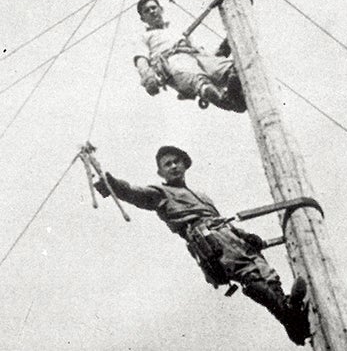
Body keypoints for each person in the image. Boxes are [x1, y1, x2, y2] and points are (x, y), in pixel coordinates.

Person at [92, 145, 311, 346]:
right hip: (208, 238)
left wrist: (245, 235)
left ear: (185, 165)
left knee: (266, 272)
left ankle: (290, 317)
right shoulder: (161, 193)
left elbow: (220, 219)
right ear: (160, 173)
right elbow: (133, 193)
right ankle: (290, 314)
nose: (174, 166)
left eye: (177, 161)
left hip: (229, 234)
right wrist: (110, 183)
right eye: (167, 164)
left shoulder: (202, 196)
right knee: (249, 274)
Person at [133, 0, 246, 113]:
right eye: (146, 11)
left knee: (233, 69)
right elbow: (141, 60)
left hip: (195, 56)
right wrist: (149, 77)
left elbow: (202, 55)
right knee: (202, 84)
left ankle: (238, 99)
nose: (151, 11)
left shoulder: (175, 30)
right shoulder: (144, 37)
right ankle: (228, 101)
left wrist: (223, 49)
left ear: (161, 9)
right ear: (143, 19)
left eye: (153, 7)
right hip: (173, 62)